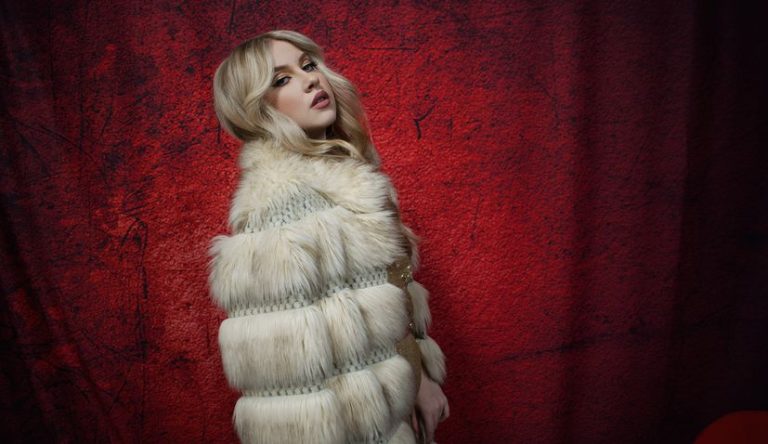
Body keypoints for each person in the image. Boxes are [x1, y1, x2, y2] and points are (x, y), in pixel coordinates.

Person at [207, 30, 449, 444]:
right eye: (281, 80)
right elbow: (292, 395)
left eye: (308, 65)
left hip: (392, 419)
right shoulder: (282, 205)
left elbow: (389, 300)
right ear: (256, 110)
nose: (310, 80)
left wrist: (420, 379)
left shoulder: (349, 181)